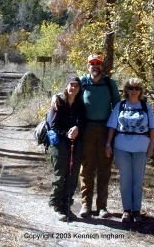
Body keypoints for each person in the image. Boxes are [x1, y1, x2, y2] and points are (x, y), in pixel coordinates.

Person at [105, 78, 154, 223]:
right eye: (131, 88)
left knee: (137, 181)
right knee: (125, 180)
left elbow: (152, 128)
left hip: (141, 148)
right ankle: (127, 210)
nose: (134, 91)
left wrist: (152, 144)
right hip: (122, 148)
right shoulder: (120, 106)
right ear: (126, 90)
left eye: (137, 88)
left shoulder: (146, 107)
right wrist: (108, 144)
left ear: (140, 91)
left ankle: (136, 211)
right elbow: (112, 127)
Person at [78, 53, 120, 218]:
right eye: (92, 63)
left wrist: (115, 133)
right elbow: (68, 96)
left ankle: (102, 207)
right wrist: (54, 98)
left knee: (104, 169)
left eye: (98, 63)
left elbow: (117, 108)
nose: (95, 66)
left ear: (102, 66)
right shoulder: (82, 82)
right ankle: (85, 206)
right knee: (86, 169)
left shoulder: (110, 84)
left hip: (105, 130)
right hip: (86, 129)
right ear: (88, 65)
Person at [47, 76, 86, 222]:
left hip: (75, 144)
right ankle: (56, 205)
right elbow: (53, 125)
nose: (73, 88)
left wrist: (77, 128)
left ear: (79, 89)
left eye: (76, 86)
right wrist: (67, 134)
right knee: (60, 174)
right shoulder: (59, 102)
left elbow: (83, 122)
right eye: (71, 85)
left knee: (73, 175)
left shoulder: (80, 105)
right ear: (66, 86)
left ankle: (66, 205)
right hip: (59, 143)